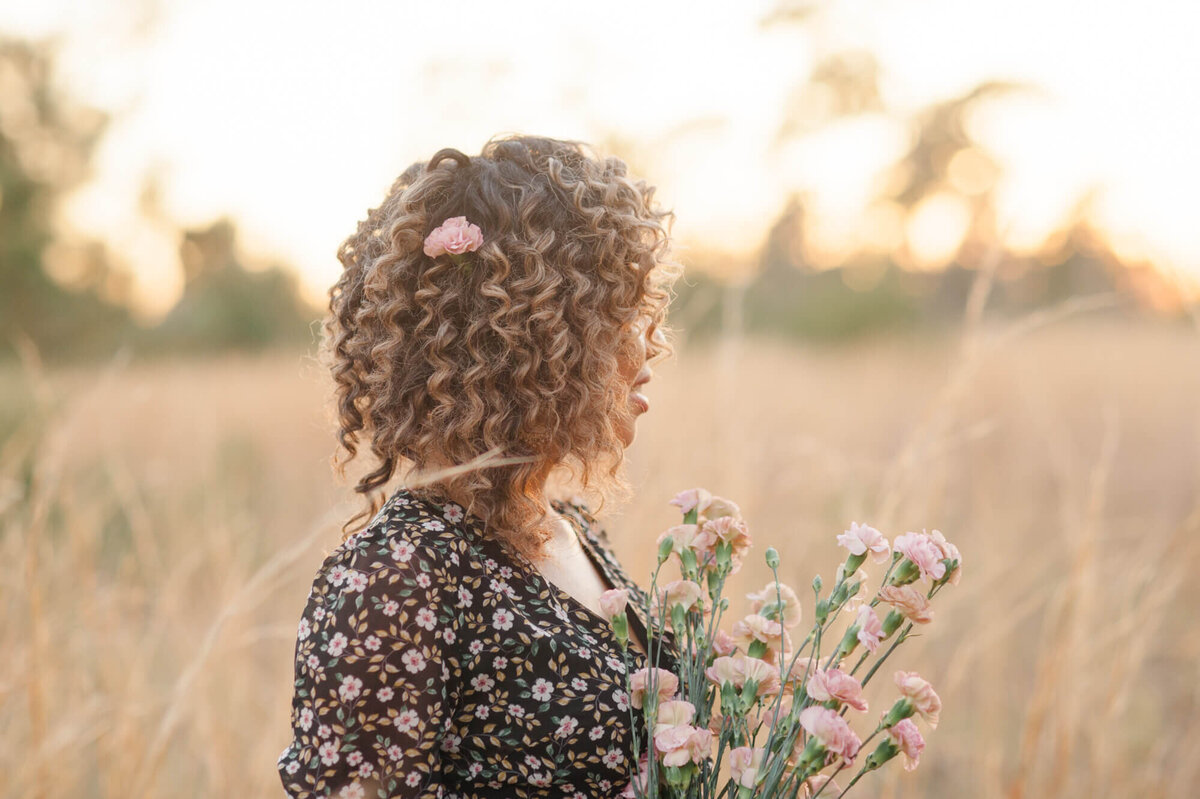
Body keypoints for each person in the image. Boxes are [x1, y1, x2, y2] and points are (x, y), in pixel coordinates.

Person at [278, 134, 683, 798]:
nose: (652, 343)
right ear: (536, 339)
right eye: (622, 312)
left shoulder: (570, 528)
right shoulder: (393, 578)